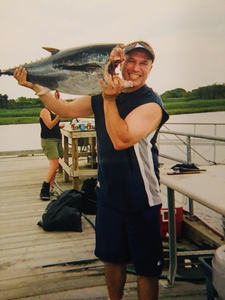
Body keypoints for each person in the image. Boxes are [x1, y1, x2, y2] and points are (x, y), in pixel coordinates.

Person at [13, 41, 169, 300]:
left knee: (146, 269)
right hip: (107, 195)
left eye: (144, 63)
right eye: (131, 60)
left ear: (151, 68)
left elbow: (121, 139)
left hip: (141, 198)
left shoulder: (151, 104)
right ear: (119, 63)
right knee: (112, 258)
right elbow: (64, 109)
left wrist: (109, 99)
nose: (136, 68)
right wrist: (36, 86)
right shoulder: (101, 93)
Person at [39, 106, 64, 200]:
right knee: (54, 165)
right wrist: (59, 116)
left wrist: (59, 125)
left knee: (56, 165)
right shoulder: (45, 111)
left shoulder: (53, 111)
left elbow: (53, 125)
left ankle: (50, 188)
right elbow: (49, 125)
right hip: (49, 141)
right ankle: (44, 189)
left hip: (57, 139)